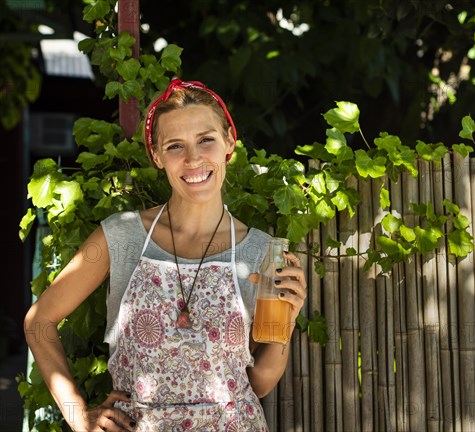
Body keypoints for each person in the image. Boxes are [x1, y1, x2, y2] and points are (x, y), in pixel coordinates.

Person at [24, 78, 307, 431]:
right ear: (157, 156)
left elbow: (259, 382)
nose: (193, 159)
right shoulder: (121, 237)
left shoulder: (260, 251)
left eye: (206, 140)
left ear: (229, 143)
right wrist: (78, 415)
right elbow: (39, 321)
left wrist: (289, 318)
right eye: (175, 146)